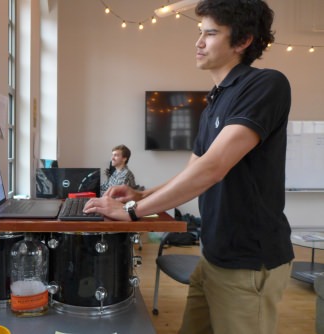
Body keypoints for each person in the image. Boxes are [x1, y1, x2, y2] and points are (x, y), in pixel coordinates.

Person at [84, 1, 294, 333]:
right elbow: (191, 172)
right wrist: (140, 193)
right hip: (213, 255)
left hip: (248, 262)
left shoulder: (266, 85)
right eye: (200, 32)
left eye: (210, 33)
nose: (198, 42)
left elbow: (212, 169)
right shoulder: (214, 101)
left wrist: (134, 211)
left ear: (243, 41)